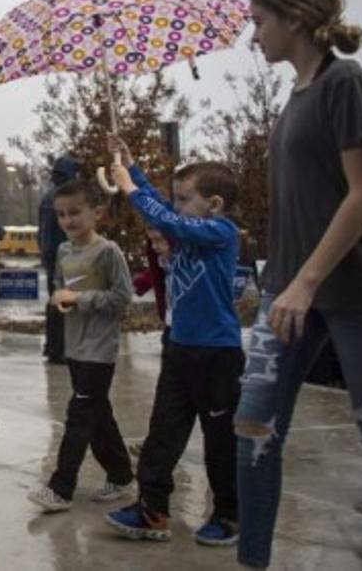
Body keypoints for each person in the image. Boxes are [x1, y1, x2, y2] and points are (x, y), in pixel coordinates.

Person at [234, 0, 362, 568]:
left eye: (260, 21)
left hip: (353, 291)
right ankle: (252, 562)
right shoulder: (294, 96)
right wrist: (273, 282)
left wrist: (307, 280)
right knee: (253, 430)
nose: (254, 35)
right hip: (286, 291)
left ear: (294, 18)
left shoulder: (344, 81)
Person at [104, 145, 244, 547]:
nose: (175, 207)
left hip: (217, 354)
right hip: (179, 348)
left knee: (220, 440)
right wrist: (133, 168)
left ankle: (230, 514)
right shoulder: (188, 224)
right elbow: (164, 210)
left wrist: (131, 189)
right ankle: (152, 508)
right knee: (162, 433)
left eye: (185, 199)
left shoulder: (219, 233)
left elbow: (169, 220)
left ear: (214, 204)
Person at [28, 179, 134, 512]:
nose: (68, 221)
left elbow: (122, 299)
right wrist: (59, 299)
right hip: (74, 347)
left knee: (78, 417)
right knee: (97, 414)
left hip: (100, 350)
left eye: (75, 212)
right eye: (61, 215)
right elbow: (62, 288)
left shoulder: (108, 252)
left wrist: (79, 298)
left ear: (97, 212)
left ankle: (60, 488)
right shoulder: (62, 251)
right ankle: (120, 474)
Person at [39, 155, 82, 363]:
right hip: (64, 258)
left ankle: (52, 348)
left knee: (55, 303)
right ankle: (62, 350)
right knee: (65, 304)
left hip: (50, 257)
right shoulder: (66, 199)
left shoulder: (47, 198)